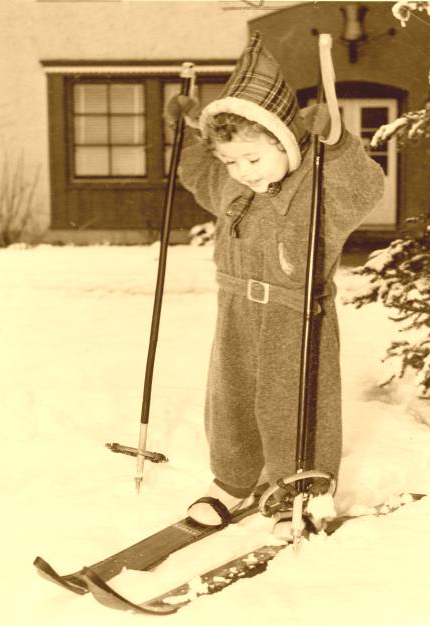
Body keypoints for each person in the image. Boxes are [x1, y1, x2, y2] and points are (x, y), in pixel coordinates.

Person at [165, 32, 384, 530]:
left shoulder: (319, 187)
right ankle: (233, 480)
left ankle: (300, 486)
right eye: (231, 160)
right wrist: (185, 127)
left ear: (285, 144)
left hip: (297, 312)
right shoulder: (232, 184)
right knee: (231, 396)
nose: (241, 171)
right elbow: (202, 174)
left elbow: (366, 186)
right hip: (237, 306)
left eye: (253, 158)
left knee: (295, 401)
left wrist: (340, 144)